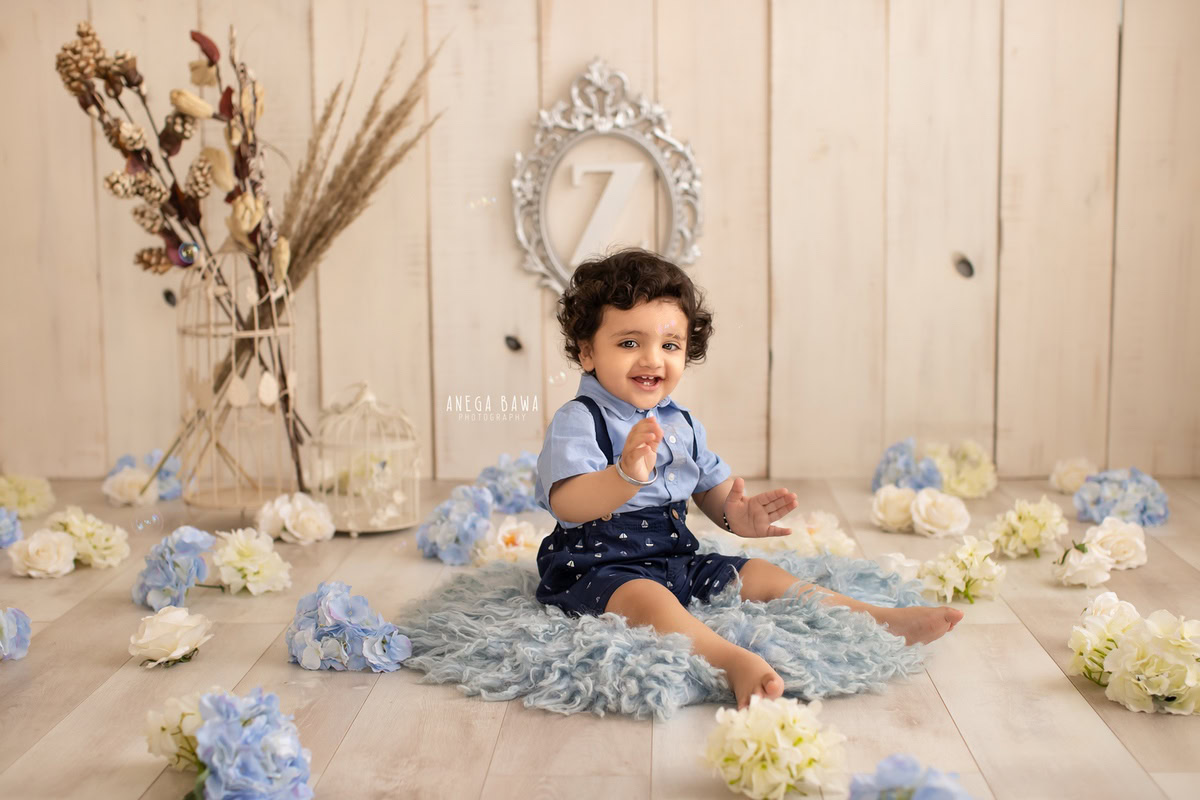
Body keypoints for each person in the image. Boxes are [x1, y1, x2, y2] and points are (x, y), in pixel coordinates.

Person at [533, 248, 962, 708]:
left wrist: (737, 514)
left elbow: (710, 490)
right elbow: (567, 503)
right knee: (650, 604)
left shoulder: (680, 422)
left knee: (761, 574)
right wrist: (623, 477)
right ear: (587, 352)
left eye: (669, 345)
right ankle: (728, 660)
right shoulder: (580, 419)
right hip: (597, 564)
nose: (652, 359)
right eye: (629, 343)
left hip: (674, 556)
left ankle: (875, 617)